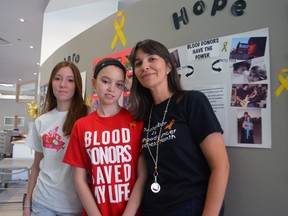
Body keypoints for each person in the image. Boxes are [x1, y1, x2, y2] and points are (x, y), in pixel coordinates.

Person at [128, 39, 230, 216]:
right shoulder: (143, 116)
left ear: (168, 67)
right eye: (138, 63)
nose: (144, 66)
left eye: (152, 59)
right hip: (153, 208)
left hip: (191, 206)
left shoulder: (192, 102)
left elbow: (221, 166)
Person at [63, 58, 147, 216]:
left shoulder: (136, 122)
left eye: (119, 84)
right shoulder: (81, 126)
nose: (111, 89)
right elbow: (79, 180)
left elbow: (142, 175)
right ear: (94, 84)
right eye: (106, 81)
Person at [23, 61, 88, 216]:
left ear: (77, 85)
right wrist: (27, 204)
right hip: (43, 202)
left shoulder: (88, 117)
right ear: (51, 83)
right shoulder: (41, 121)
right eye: (58, 78)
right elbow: (36, 166)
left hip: (76, 205)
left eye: (70, 80)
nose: (63, 84)